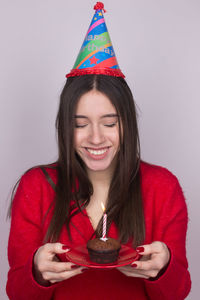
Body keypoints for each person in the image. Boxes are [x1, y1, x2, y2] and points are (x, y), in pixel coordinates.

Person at [7, 3, 191, 300]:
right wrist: (37, 273)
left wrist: (165, 266)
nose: (95, 138)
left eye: (109, 123)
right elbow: (17, 292)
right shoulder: (36, 187)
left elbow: (178, 292)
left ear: (127, 124)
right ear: (65, 126)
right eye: (81, 124)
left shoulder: (162, 187)